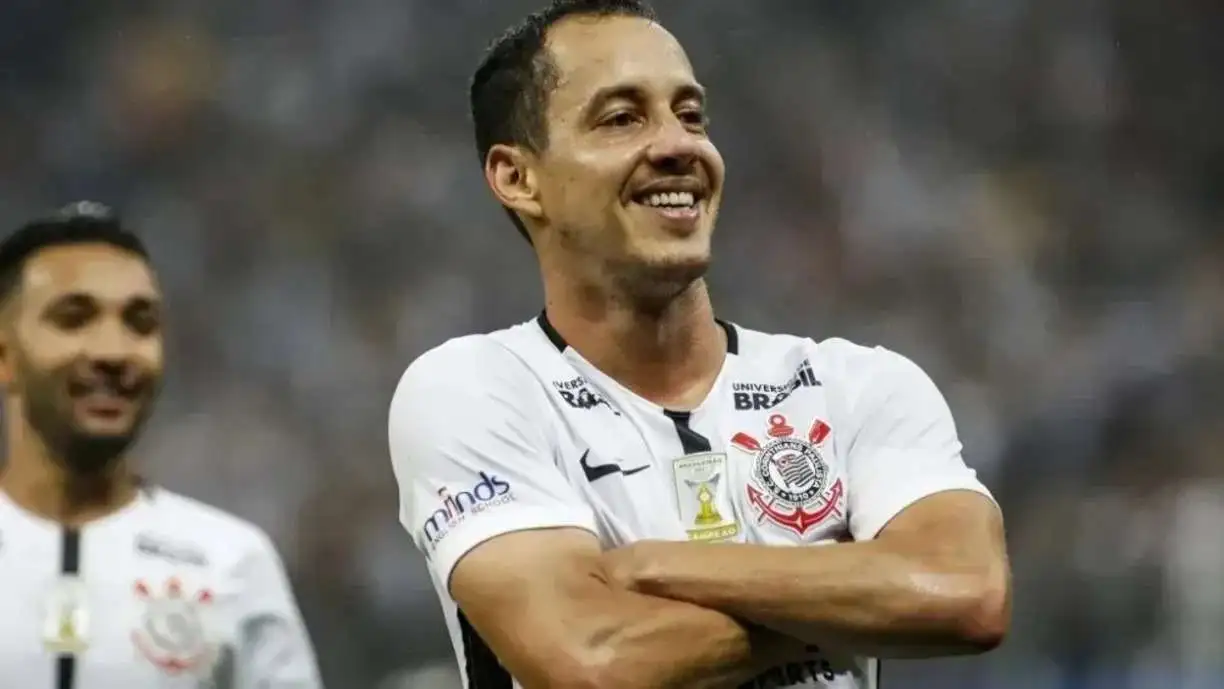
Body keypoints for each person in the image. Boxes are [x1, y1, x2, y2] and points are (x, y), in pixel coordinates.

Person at [388, 1, 1011, 687]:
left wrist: (653, 566)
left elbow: (967, 594)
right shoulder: (475, 388)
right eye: (622, 118)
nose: (679, 144)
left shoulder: (858, 385)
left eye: (690, 115)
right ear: (517, 177)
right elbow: (594, 660)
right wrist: (853, 591)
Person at [0, 203, 323, 689]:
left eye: (140, 322)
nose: (113, 351)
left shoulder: (229, 562)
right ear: (4, 355)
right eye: (74, 318)